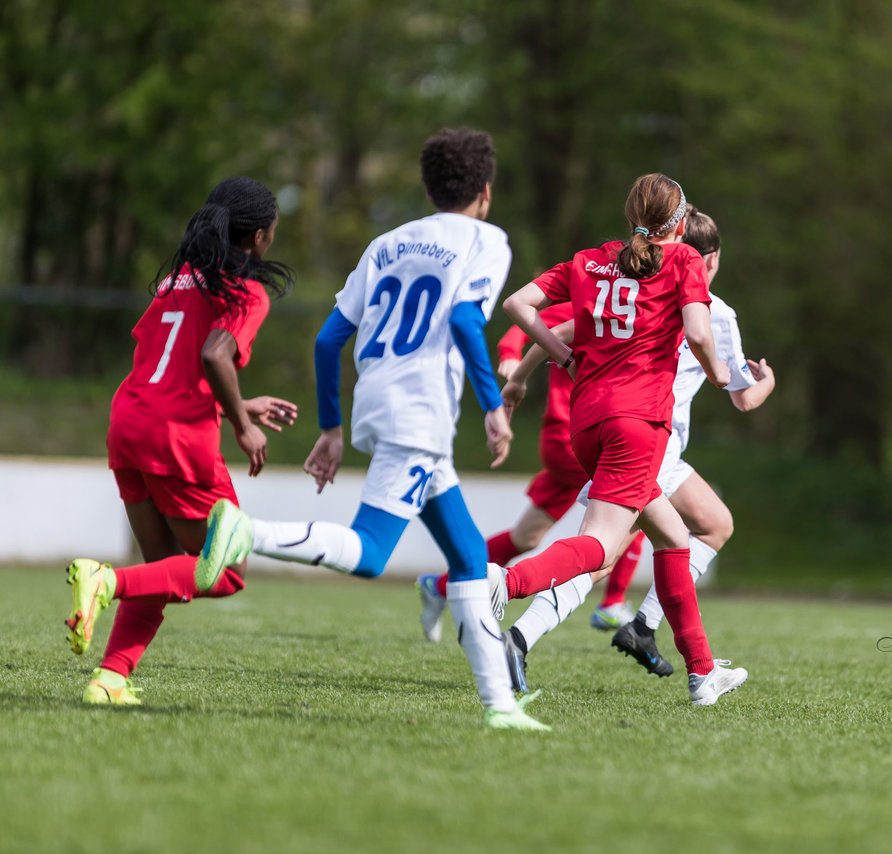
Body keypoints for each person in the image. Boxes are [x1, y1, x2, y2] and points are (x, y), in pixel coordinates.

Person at [195, 128, 545, 731]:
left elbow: (330, 338)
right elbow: (464, 317)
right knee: (370, 554)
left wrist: (331, 428)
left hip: (378, 401)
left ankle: (502, 708)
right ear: (485, 191)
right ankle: (244, 531)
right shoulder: (486, 241)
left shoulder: (388, 242)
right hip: (420, 411)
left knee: (467, 558)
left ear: (429, 186)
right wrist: (492, 403)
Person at [495, 174, 749, 706]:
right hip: (638, 427)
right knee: (602, 549)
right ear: (680, 225)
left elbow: (519, 306)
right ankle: (502, 587)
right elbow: (701, 336)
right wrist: (721, 374)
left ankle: (703, 673)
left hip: (587, 423)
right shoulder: (682, 262)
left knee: (676, 540)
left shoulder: (590, 260)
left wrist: (550, 362)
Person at [62, 177, 297, 705]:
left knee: (162, 564)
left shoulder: (179, 279)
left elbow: (167, 359)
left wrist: (234, 402)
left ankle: (110, 679)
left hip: (130, 421)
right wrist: (242, 421)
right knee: (227, 569)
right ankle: (105, 581)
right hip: (176, 438)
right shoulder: (246, 291)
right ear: (258, 236)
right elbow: (215, 355)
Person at [413, 302, 644, 644]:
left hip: (587, 434)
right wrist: (510, 354)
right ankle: (611, 602)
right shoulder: (594, 300)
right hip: (576, 433)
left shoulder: (644, 302)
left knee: (527, 536)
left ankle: (440, 586)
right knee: (640, 498)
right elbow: (521, 324)